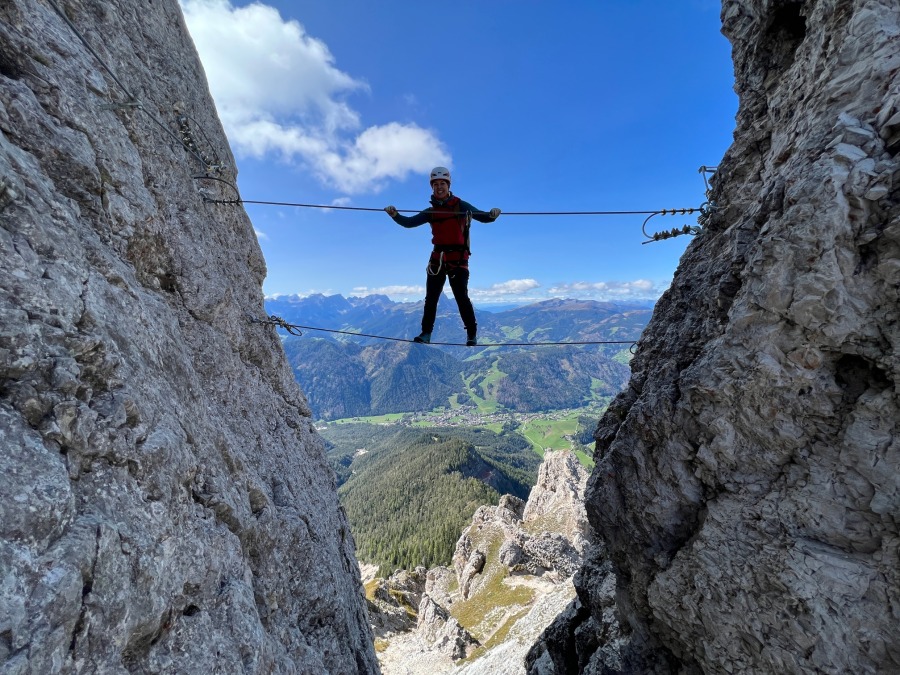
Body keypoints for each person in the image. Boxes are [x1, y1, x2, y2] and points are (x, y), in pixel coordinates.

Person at [385, 167, 500, 346]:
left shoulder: (460, 205)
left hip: (458, 259)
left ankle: (471, 334)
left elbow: (482, 216)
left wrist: (492, 215)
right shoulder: (430, 211)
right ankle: (426, 333)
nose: (439, 187)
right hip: (438, 259)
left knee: (461, 297)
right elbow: (408, 223)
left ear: (448, 185)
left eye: (442, 184)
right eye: (436, 184)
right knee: (431, 298)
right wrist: (394, 215)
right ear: (432, 187)